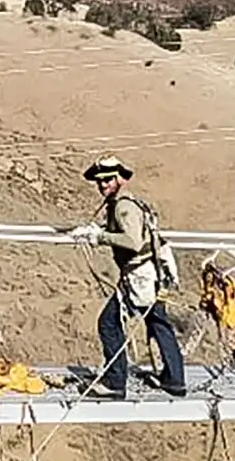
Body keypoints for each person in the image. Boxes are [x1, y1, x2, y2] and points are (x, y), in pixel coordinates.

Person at [71, 156, 188, 397]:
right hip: (152, 273)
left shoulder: (123, 207)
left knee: (109, 323)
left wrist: (100, 237)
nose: (102, 185)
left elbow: (132, 242)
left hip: (139, 276)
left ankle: (115, 382)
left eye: (107, 180)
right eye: (100, 181)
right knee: (158, 323)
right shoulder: (130, 203)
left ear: (118, 180)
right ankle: (175, 379)